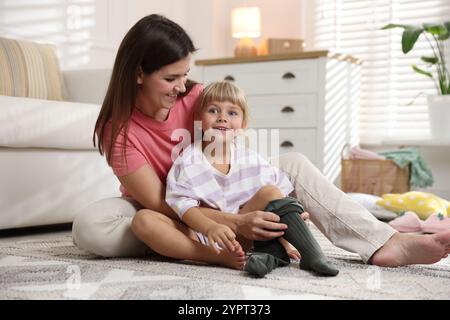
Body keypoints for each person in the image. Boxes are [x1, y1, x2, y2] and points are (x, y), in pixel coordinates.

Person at [72, 14, 450, 268]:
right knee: (95, 226)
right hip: (177, 211)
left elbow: (238, 143)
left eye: (185, 75)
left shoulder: (197, 97)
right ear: (139, 74)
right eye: (171, 78)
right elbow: (163, 202)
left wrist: (272, 199)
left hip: (223, 194)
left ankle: (384, 243)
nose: (182, 87)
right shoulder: (118, 130)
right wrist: (237, 222)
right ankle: (231, 247)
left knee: (293, 165)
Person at [163, 81, 339, 276]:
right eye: (213, 111)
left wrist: (290, 231)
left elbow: (279, 198)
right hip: (206, 237)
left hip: (247, 233)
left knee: (272, 191)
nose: (222, 118)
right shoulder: (188, 161)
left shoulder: (249, 159)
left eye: (232, 113)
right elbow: (182, 204)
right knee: (145, 222)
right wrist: (211, 227)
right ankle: (269, 255)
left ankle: (309, 253)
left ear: (243, 124)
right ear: (198, 117)